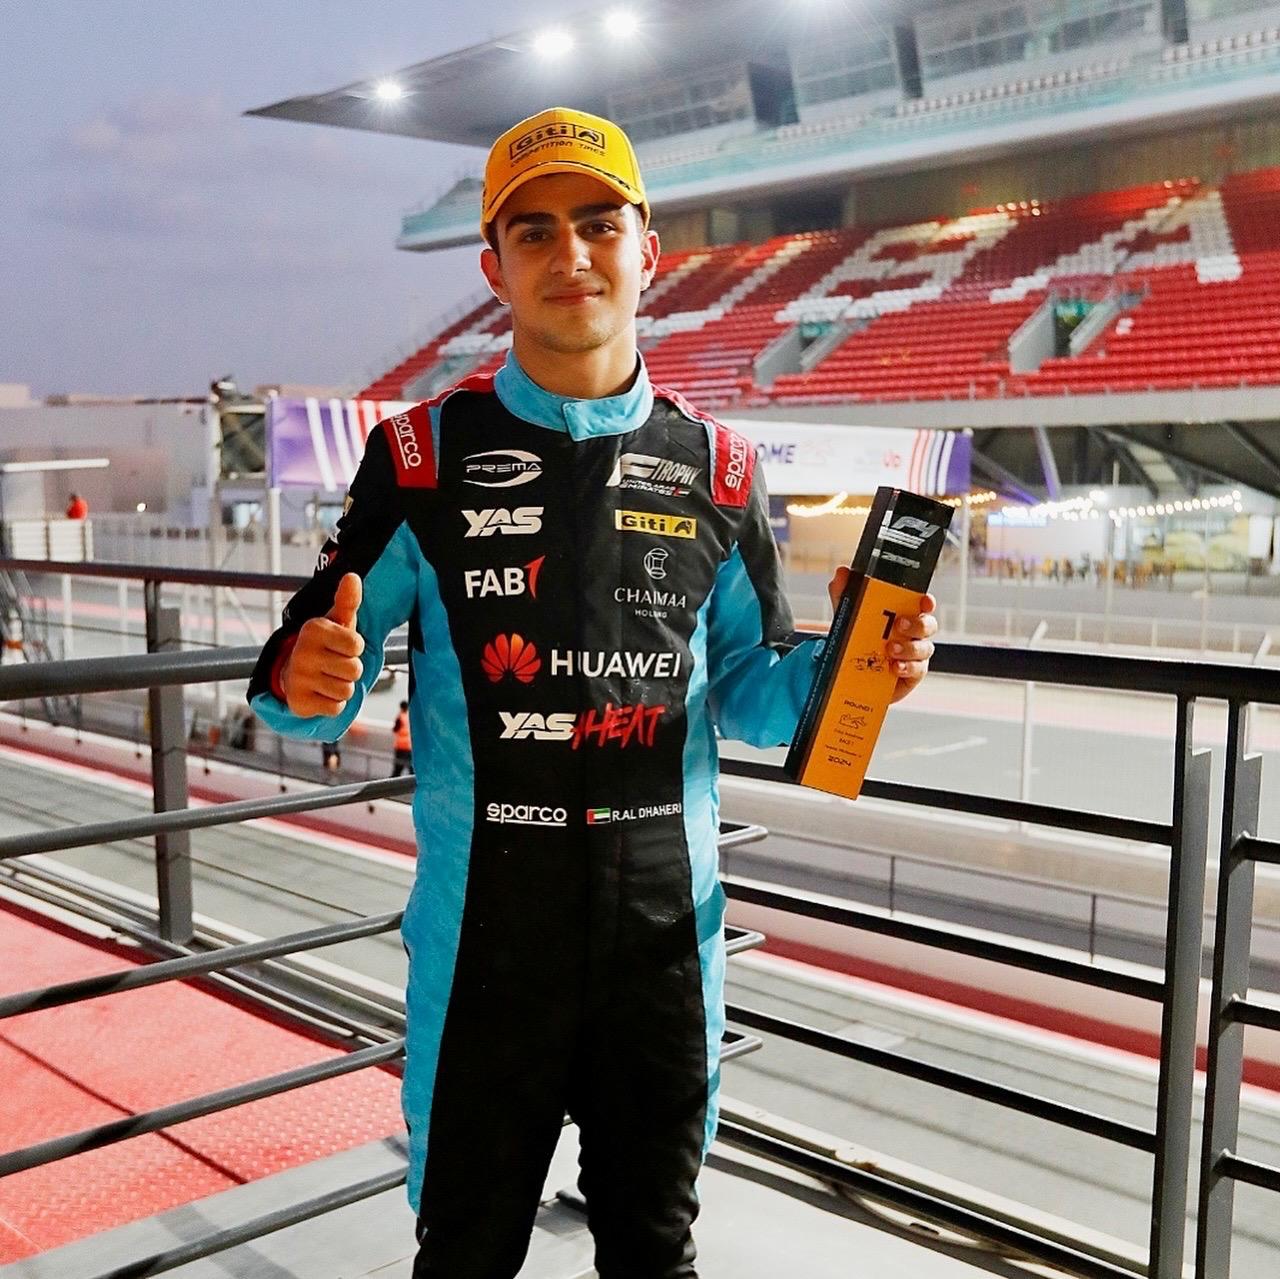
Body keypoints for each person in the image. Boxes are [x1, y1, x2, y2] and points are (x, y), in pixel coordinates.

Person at [246, 106, 937, 1279]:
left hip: (664, 945)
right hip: (481, 947)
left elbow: (754, 693)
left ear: (646, 249)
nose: (570, 255)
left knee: (655, 1255)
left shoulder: (721, 469)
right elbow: (302, 672)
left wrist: (862, 667)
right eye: (535, 232)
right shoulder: (416, 458)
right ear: (494, 268)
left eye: (598, 224)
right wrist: (306, 679)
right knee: (462, 1256)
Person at [392, 699, 413, 776]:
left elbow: (395, 729)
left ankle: (394, 781)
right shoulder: (410, 716)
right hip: (409, 745)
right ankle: (412, 780)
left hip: (400, 746)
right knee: (411, 766)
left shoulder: (400, 717)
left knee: (398, 767)